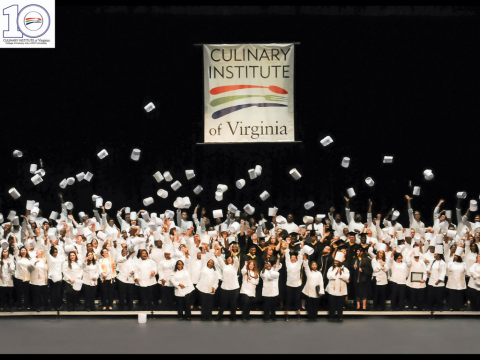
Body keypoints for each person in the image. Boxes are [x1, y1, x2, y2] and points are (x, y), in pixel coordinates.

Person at [215, 246, 240, 322]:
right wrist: (219, 249)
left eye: (230, 258)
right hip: (225, 287)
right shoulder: (224, 266)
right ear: (226, 260)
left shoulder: (235, 267)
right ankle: (219, 316)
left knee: (233, 303)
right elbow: (219, 258)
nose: (229, 259)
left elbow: (236, 260)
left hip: (234, 287)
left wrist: (232, 252)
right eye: (228, 258)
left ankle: (233, 317)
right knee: (223, 303)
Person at [196, 246, 219, 321]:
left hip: (211, 290)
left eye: (211, 263)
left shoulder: (215, 272)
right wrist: (203, 247)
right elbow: (203, 257)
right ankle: (203, 317)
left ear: (213, 265)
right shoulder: (204, 267)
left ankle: (209, 317)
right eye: (209, 262)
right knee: (203, 303)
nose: (210, 263)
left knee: (209, 304)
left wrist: (214, 287)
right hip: (202, 288)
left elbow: (216, 281)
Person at [326, 252, 350, 322]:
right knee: (332, 305)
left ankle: (340, 317)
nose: (335, 262)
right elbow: (328, 276)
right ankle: (331, 317)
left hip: (341, 290)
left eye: (337, 261)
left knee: (340, 305)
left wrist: (341, 273)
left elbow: (347, 277)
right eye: (335, 261)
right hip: (332, 290)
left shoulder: (344, 269)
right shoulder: (331, 268)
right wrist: (335, 273)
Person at [284, 241, 303, 321]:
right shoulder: (288, 263)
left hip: (297, 284)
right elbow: (287, 255)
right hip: (289, 284)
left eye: (294, 257)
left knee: (298, 300)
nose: (292, 258)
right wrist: (287, 244)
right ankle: (287, 315)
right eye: (292, 257)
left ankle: (299, 315)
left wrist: (302, 246)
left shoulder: (299, 263)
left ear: (296, 259)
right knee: (288, 299)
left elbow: (301, 255)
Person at [302, 254, 324, 321]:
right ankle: (310, 317)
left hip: (316, 291)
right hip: (309, 291)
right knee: (309, 305)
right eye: (313, 265)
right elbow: (305, 266)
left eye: (315, 265)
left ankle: (314, 317)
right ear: (311, 266)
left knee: (315, 305)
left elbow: (321, 282)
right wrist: (305, 260)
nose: (314, 266)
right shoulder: (309, 272)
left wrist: (321, 291)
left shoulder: (319, 273)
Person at [426, 246, 446, 311]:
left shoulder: (443, 263)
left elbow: (443, 273)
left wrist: (439, 280)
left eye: (435, 254)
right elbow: (428, 267)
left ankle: (439, 308)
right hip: (431, 281)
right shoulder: (433, 261)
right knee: (430, 296)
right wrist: (428, 270)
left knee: (438, 297)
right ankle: (430, 308)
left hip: (438, 283)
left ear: (439, 255)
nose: (434, 255)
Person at [14, 246, 33, 311]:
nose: (23, 251)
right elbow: (16, 249)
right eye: (22, 250)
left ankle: (27, 305)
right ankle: (19, 305)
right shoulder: (18, 258)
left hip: (27, 278)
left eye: (24, 250)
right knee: (19, 292)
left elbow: (31, 268)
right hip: (19, 277)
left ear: (26, 251)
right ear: (20, 251)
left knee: (26, 293)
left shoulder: (29, 259)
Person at [47, 246, 64, 311]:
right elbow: (46, 249)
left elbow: (60, 269)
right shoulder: (50, 258)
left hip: (59, 278)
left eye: (56, 252)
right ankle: (52, 305)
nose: (55, 253)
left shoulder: (59, 259)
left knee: (58, 293)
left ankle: (58, 306)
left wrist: (61, 277)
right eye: (54, 252)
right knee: (52, 293)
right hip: (51, 278)